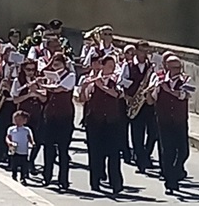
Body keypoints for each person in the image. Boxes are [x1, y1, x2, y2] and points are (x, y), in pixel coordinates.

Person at [82, 54, 125, 194]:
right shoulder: (92, 80)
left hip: (112, 122)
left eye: (113, 66)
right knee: (95, 153)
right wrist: (84, 87)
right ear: (102, 66)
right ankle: (95, 182)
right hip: (95, 122)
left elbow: (118, 94)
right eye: (109, 66)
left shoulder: (116, 80)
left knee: (114, 154)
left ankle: (116, 184)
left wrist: (103, 87)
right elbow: (84, 98)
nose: (112, 69)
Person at [154, 55, 192, 194]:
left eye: (179, 67)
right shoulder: (158, 78)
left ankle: (176, 171)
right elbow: (152, 98)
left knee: (183, 151)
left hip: (179, 120)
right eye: (174, 67)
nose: (178, 70)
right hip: (164, 120)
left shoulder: (186, 79)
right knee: (167, 151)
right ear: (167, 67)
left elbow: (184, 95)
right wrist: (155, 89)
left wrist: (168, 90)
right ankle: (170, 181)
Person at [39, 52, 76, 191]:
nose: (56, 67)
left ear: (64, 64)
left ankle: (63, 180)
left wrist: (45, 86)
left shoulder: (70, 76)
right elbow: (46, 94)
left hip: (64, 117)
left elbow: (59, 89)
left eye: (58, 64)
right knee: (48, 147)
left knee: (63, 149)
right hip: (50, 115)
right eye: (54, 64)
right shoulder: (51, 77)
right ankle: (47, 176)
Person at [121, 40, 158, 172]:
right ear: (136, 51)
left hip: (148, 104)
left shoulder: (151, 67)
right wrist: (128, 95)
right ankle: (141, 161)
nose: (144, 53)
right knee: (137, 134)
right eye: (142, 50)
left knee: (153, 133)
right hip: (135, 103)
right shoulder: (128, 65)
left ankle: (145, 154)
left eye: (146, 51)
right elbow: (121, 81)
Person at [11, 59, 46, 174]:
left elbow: (44, 99)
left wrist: (37, 92)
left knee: (38, 140)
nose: (31, 72)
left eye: (33, 69)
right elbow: (15, 100)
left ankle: (31, 161)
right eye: (28, 69)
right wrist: (28, 94)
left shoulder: (39, 81)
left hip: (36, 113)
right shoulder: (18, 81)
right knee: (21, 140)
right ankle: (20, 163)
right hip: (23, 114)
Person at [7, 110, 35, 184]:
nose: (17, 121)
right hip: (15, 150)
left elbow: (29, 137)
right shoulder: (11, 129)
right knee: (14, 163)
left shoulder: (26, 130)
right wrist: (10, 143)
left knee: (24, 165)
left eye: (20, 120)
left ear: (24, 121)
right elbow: (8, 137)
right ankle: (14, 174)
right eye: (15, 119)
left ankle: (23, 177)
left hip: (24, 150)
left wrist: (32, 142)